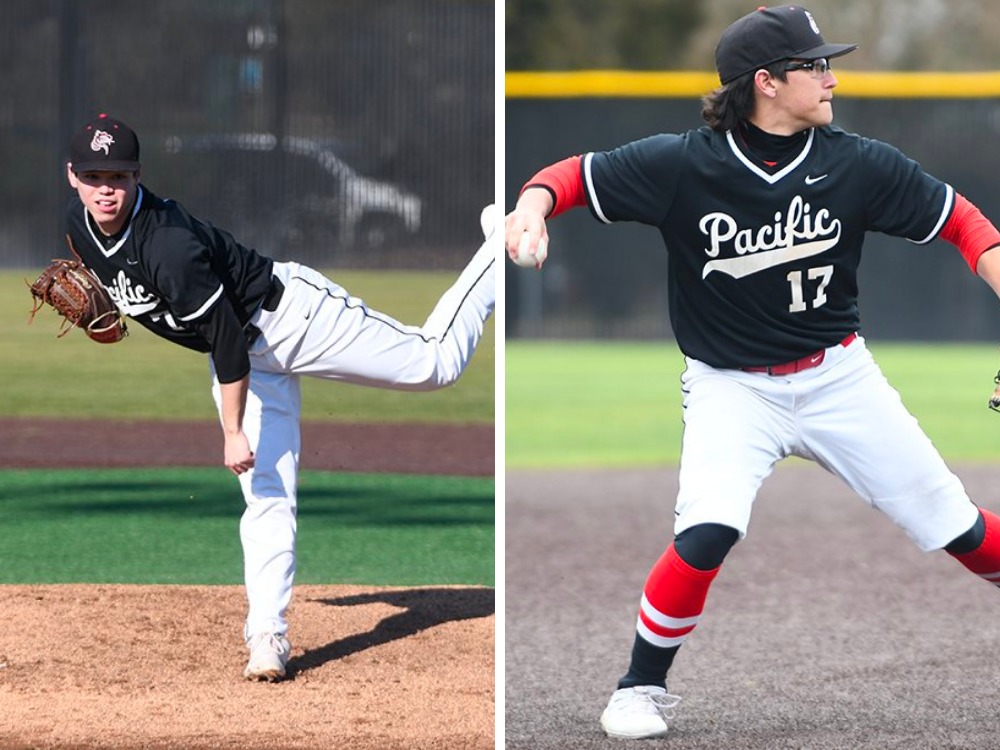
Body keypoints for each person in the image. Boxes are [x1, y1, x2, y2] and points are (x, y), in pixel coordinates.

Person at [505, 4, 1000, 740]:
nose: (831, 76)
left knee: (957, 527)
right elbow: (568, 176)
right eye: (815, 65)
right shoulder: (683, 163)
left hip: (839, 378)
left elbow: (968, 226)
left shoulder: (856, 162)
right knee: (707, 530)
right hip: (731, 387)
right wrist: (531, 208)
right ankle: (638, 688)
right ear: (765, 82)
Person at [64, 113, 496, 681]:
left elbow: (225, 341)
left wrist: (232, 431)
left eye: (117, 176)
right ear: (72, 176)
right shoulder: (80, 223)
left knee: (433, 363)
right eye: (94, 174)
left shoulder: (167, 243)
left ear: (137, 176)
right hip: (245, 357)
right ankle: (267, 635)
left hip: (293, 317)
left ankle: (495, 249)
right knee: (267, 494)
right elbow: (115, 279)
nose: (105, 188)